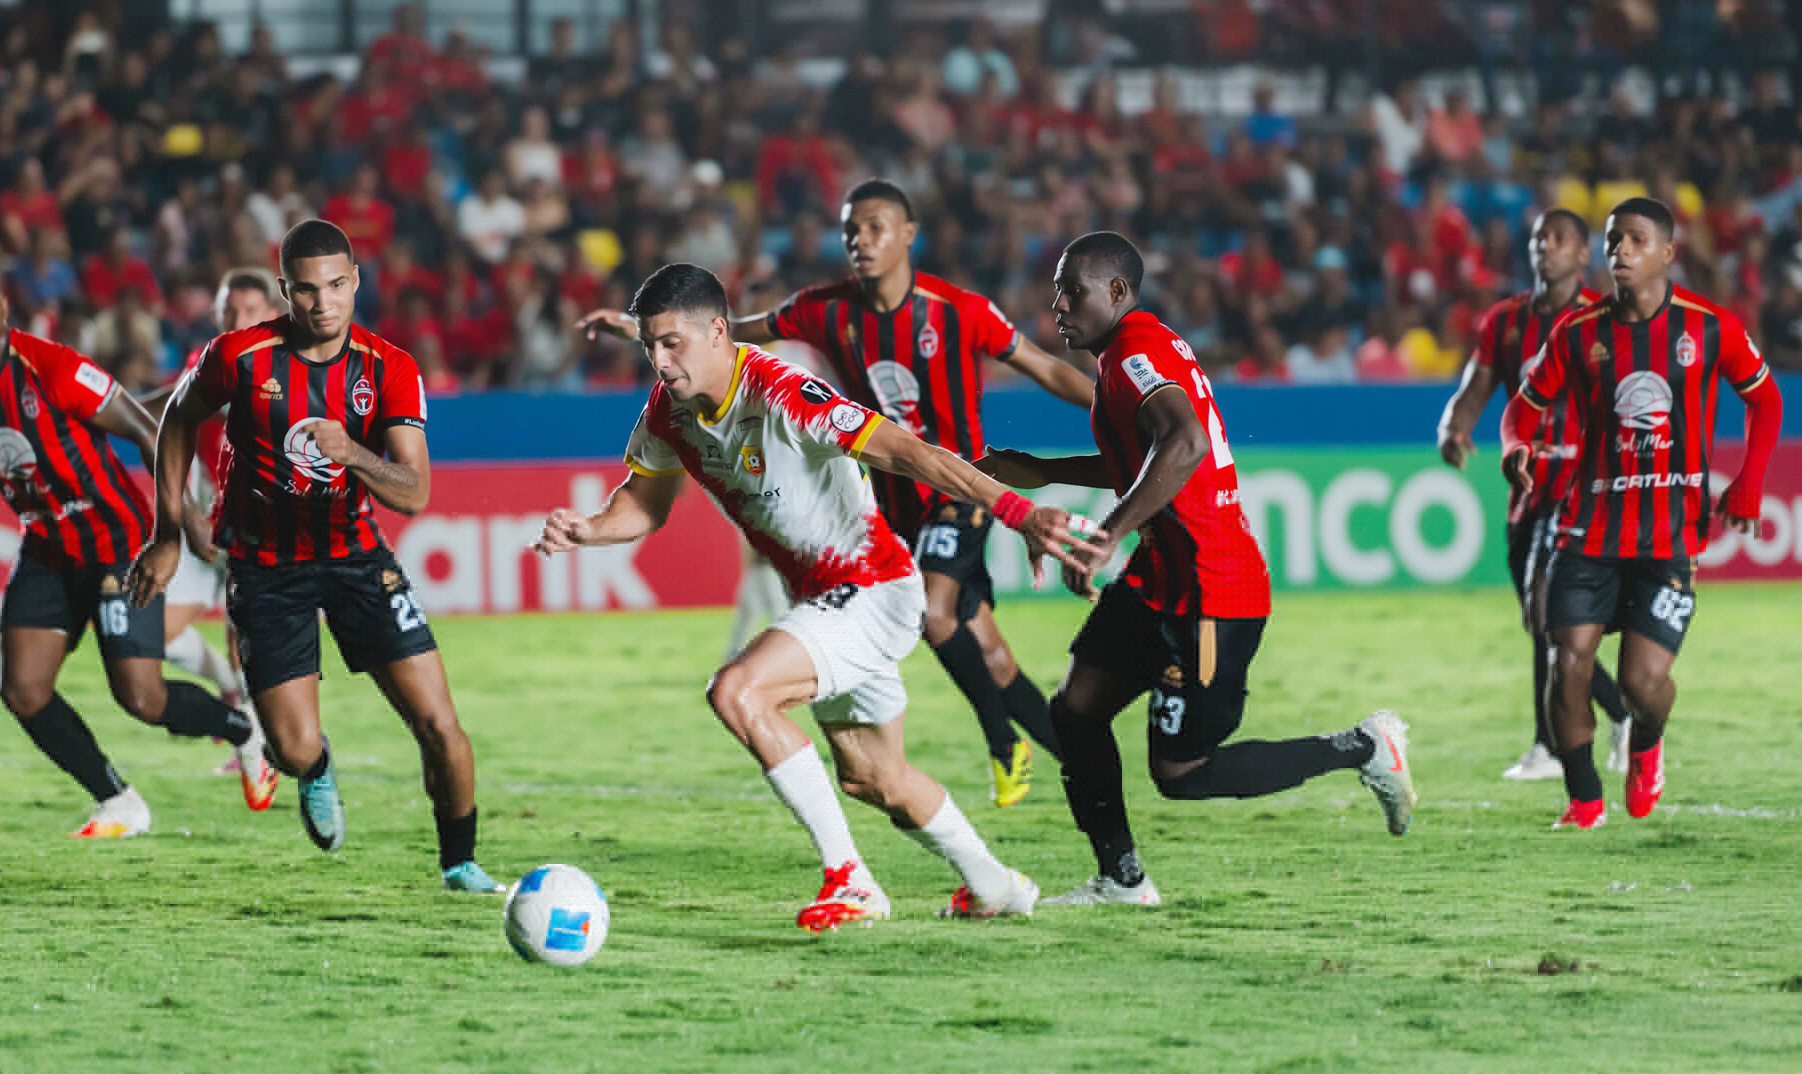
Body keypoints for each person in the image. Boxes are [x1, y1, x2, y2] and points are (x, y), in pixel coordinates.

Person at [541, 263, 1102, 930]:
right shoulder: (670, 411)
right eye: (649, 347)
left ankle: (853, 882)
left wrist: (1018, 513)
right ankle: (995, 886)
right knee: (874, 778)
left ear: (717, 331)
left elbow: (911, 452)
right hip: (824, 601)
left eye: (671, 343)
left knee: (738, 691)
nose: (659, 362)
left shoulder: (782, 392)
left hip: (872, 589)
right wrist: (590, 529)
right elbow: (644, 504)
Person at [581, 179, 1097, 809]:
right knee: (985, 649)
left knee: (934, 613)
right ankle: (1081, 761)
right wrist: (644, 329)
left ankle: (1000, 741)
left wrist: (1115, 407)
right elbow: (727, 329)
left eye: (876, 227)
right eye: (851, 229)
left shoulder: (958, 309)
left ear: (908, 234)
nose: (861, 241)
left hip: (956, 483)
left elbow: (1043, 367)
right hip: (888, 498)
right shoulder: (824, 309)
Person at [978, 233, 1414, 906]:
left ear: (1117, 293)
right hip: (1161, 580)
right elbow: (1148, 459)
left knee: (1181, 771)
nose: (1057, 304)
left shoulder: (1136, 354)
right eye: (1056, 291)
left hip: (1214, 595)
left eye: (1073, 291)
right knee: (1076, 710)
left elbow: (1185, 442)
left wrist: (1106, 536)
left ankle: (1363, 746)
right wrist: (1041, 471)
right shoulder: (1127, 357)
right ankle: (1121, 879)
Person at [128, 220, 501, 893]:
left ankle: (460, 863)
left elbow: (414, 491)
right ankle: (317, 766)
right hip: (265, 567)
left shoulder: (389, 367)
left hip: (356, 555)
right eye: (306, 290)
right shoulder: (239, 356)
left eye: (336, 286)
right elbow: (177, 419)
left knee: (439, 724)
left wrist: (355, 453)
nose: (323, 302)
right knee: (294, 751)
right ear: (285, 292)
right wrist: (167, 533)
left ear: (356, 282)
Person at [0, 260, 264, 837]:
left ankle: (242, 729)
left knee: (141, 698)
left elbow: (144, 426)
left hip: (117, 540)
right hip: (47, 550)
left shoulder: (53, 367)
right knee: (23, 690)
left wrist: (181, 519)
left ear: (4, 307)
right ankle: (118, 800)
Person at [1500, 198, 1784, 829]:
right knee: (1565, 662)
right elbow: (1521, 407)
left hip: (1667, 537)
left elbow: (1766, 401)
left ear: (1666, 253)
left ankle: (1648, 744)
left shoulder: (1710, 328)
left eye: (1634, 239)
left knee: (1642, 686)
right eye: (1612, 240)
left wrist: (1748, 483)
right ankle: (1583, 799)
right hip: (1588, 532)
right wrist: (1515, 446)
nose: (1619, 251)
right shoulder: (1577, 335)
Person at [1438, 210, 1631, 783]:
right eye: (1537, 238)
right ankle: (1598, 723)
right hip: (1527, 490)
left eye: (1558, 239)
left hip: (1585, 488)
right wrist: (1454, 429)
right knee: (1539, 621)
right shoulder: (1505, 321)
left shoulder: (1605, 320)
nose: (1544, 247)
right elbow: (1473, 390)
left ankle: (1565, 741)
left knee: (1548, 614)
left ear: (1581, 255)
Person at [140, 268, 283, 804]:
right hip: (206, 523)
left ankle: (259, 745)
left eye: (248, 311)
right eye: (228, 310)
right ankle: (237, 698)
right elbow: (169, 410)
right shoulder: (206, 363)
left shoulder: (287, 366)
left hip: (265, 524)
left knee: (244, 634)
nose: (236, 320)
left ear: (270, 312)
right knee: (154, 632)